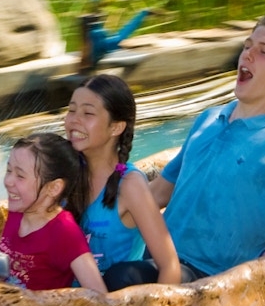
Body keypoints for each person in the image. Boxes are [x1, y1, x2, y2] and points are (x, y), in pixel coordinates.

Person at [104, 12, 265, 288]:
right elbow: (159, 192)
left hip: (212, 281)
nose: (248, 55)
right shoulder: (208, 118)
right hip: (160, 259)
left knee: (121, 279)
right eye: (247, 46)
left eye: (264, 51)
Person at [64, 74, 182, 288]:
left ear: (116, 127)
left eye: (88, 113)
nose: (74, 119)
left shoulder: (129, 185)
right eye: (71, 110)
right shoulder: (62, 173)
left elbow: (169, 265)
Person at [0, 133, 106, 292]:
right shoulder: (17, 212)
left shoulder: (64, 233)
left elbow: (100, 298)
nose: (8, 181)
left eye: (20, 175)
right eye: (8, 170)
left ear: (53, 188)